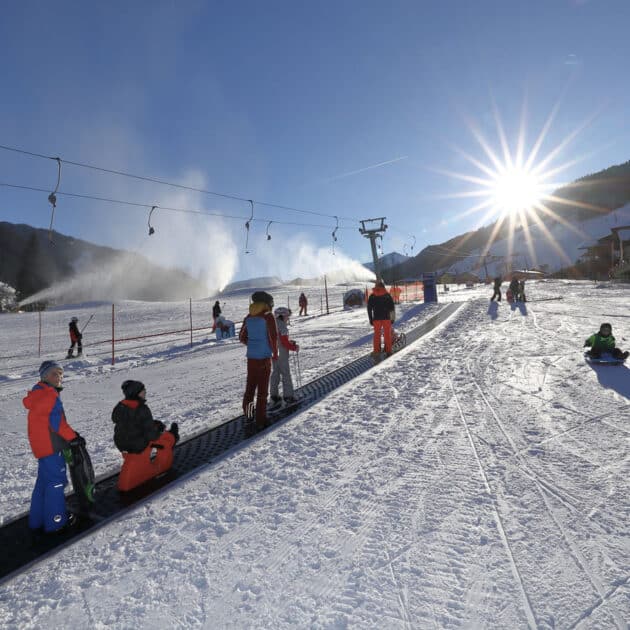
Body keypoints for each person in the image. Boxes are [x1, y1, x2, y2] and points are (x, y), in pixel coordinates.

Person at [23, 360, 81, 533]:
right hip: (52, 446)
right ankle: (56, 522)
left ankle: (37, 520)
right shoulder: (49, 395)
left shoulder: (37, 393)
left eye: (61, 373)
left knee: (43, 483)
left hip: (41, 447)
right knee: (56, 483)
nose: (59, 377)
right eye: (54, 374)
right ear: (44, 376)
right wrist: (74, 438)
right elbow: (58, 424)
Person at [112, 380, 179, 491]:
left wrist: (154, 424)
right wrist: (159, 430)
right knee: (165, 440)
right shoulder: (142, 409)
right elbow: (152, 436)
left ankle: (169, 435)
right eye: (143, 391)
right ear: (136, 393)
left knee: (155, 429)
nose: (145, 393)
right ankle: (173, 437)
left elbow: (132, 423)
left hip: (122, 443)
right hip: (137, 444)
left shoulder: (120, 407)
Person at [239, 291, 278, 432]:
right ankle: (261, 421)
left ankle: (249, 417)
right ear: (267, 304)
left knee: (250, 389)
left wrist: (253, 344)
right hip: (264, 359)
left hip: (251, 359)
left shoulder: (248, 317)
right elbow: (273, 337)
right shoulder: (268, 317)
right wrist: (275, 354)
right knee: (262, 392)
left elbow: (242, 337)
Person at [270, 307, 299, 405]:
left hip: (274, 353)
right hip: (281, 354)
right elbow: (284, 342)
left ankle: (274, 396)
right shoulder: (282, 326)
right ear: (282, 316)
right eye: (287, 316)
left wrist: (288, 342)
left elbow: (279, 340)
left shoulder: (272, 325)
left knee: (275, 374)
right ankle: (288, 396)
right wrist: (294, 347)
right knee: (286, 374)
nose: (288, 318)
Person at [367, 281, 395, 356]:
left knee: (377, 335)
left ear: (376, 287)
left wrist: (370, 318)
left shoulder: (372, 296)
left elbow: (369, 309)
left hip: (376, 318)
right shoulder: (387, 295)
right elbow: (392, 308)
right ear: (383, 287)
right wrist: (392, 318)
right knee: (387, 334)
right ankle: (388, 351)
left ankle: (376, 351)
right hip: (386, 317)